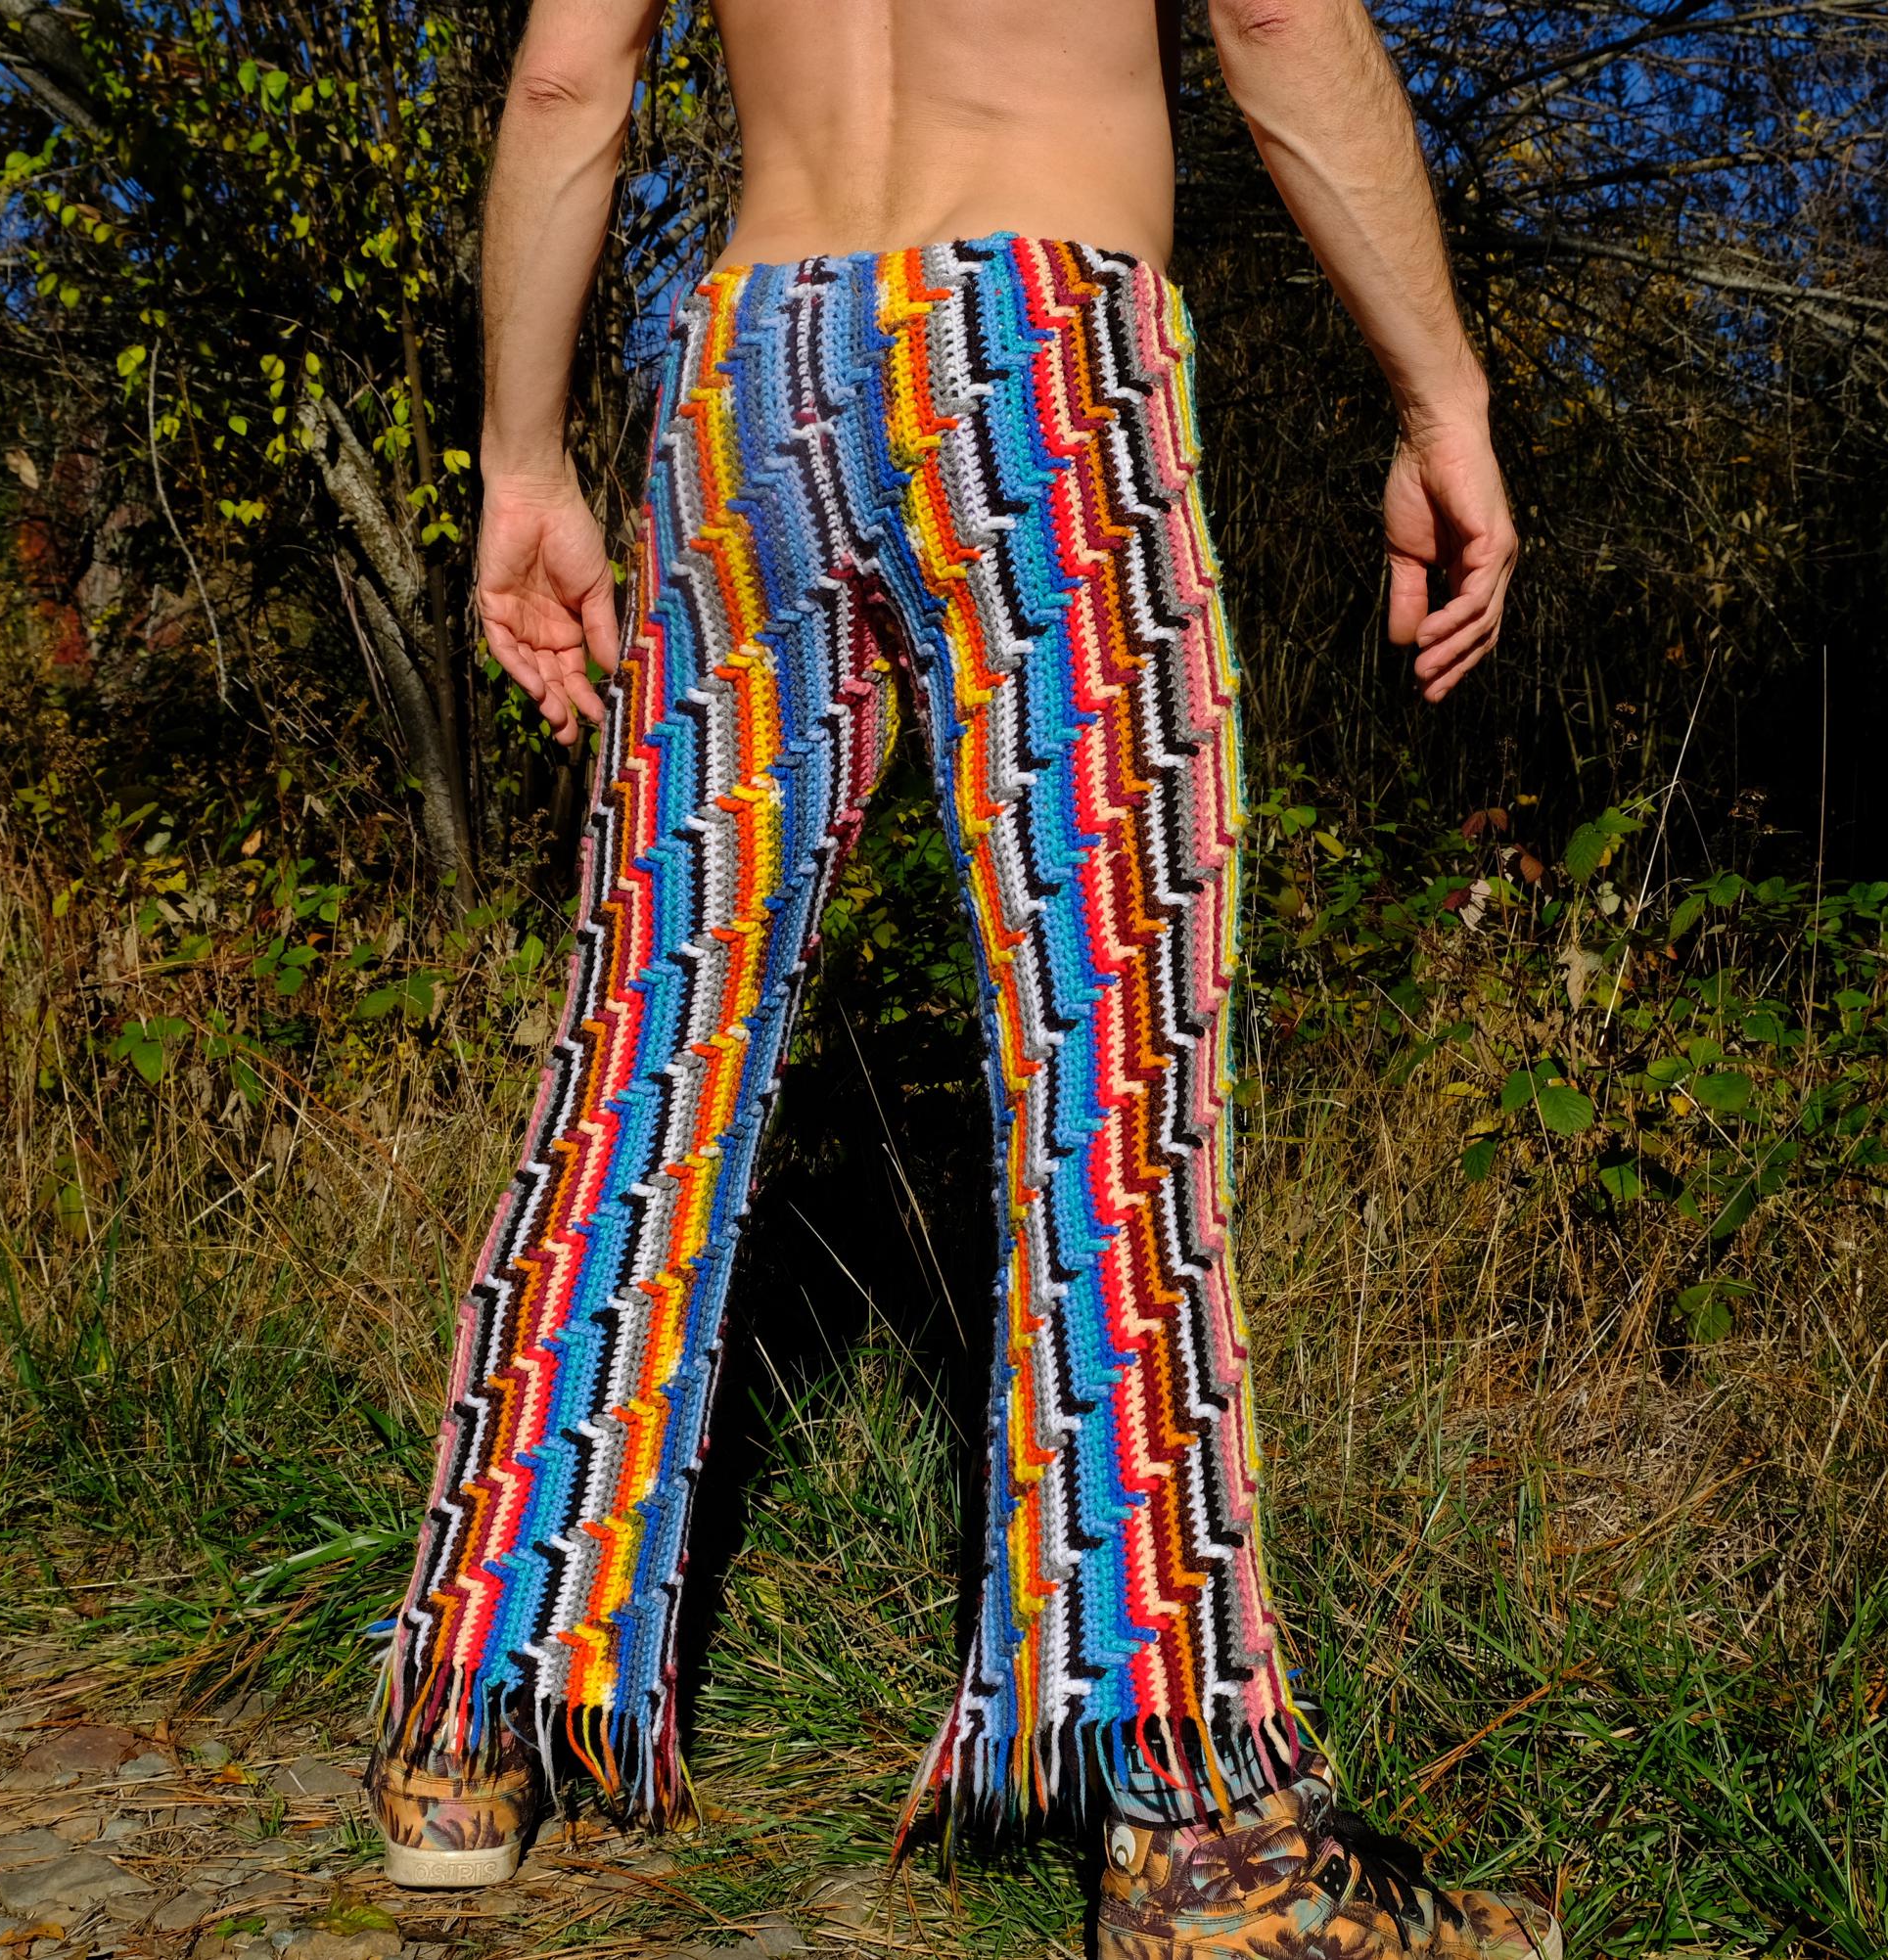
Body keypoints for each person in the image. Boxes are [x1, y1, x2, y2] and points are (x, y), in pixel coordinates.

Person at [367, 1, 1549, 1952]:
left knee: (646, 1039)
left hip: (748, 367)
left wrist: (522, 460)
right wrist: (1444, 399)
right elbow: (1277, 20)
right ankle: (1209, 1840)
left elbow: (571, 76)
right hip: (1044, 354)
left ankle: (465, 1718)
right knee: (1113, 1065)